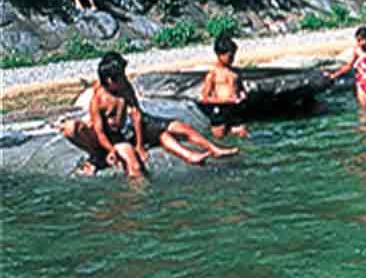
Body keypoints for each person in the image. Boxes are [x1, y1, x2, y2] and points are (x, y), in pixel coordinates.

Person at [59, 52, 238, 177]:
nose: (125, 78)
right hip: (113, 138)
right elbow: (100, 132)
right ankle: (136, 205)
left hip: (126, 132)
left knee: (177, 128)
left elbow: (136, 113)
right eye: (120, 76)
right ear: (109, 80)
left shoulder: (124, 87)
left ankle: (212, 150)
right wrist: (111, 150)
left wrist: (139, 145)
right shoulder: (98, 98)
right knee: (135, 166)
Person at [198, 34, 250, 138]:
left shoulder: (236, 73)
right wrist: (226, 100)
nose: (232, 59)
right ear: (219, 55)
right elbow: (204, 98)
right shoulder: (213, 74)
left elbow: (241, 89)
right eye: (229, 57)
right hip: (220, 109)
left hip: (233, 107)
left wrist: (243, 94)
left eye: (233, 56)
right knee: (219, 135)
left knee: (243, 132)